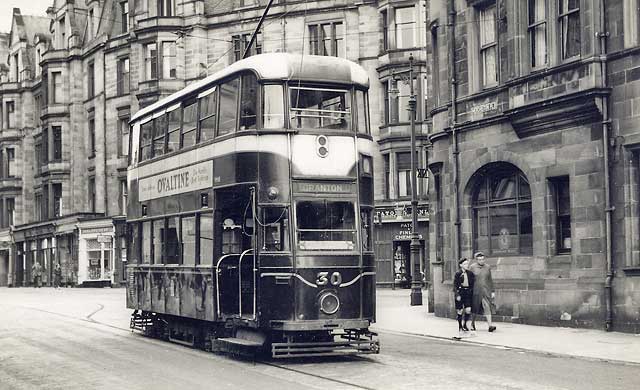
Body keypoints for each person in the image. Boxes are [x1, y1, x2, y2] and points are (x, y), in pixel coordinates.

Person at [470, 251, 496, 332]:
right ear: (476, 260)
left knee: (487, 307)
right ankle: (472, 323)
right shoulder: (472, 267)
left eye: (482, 259)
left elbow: (490, 280)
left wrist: (492, 291)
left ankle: (490, 325)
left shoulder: (487, 267)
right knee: (475, 308)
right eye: (479, 259)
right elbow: (469, 279)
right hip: (476, 291)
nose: (481, 261)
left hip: (485, 291)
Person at [453, 257, 475, 334]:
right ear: (461, 265)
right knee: (460, 310)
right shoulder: (458, 274)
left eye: (467, 264)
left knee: (468, 309)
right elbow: (455, 285)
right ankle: (460, 327)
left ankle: (465, 324)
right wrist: (457, 294)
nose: (466, 265)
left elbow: (472, 284)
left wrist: (471, 291)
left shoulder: (470, 273)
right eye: (465, 264)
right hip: (460, 292)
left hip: (467, 292)